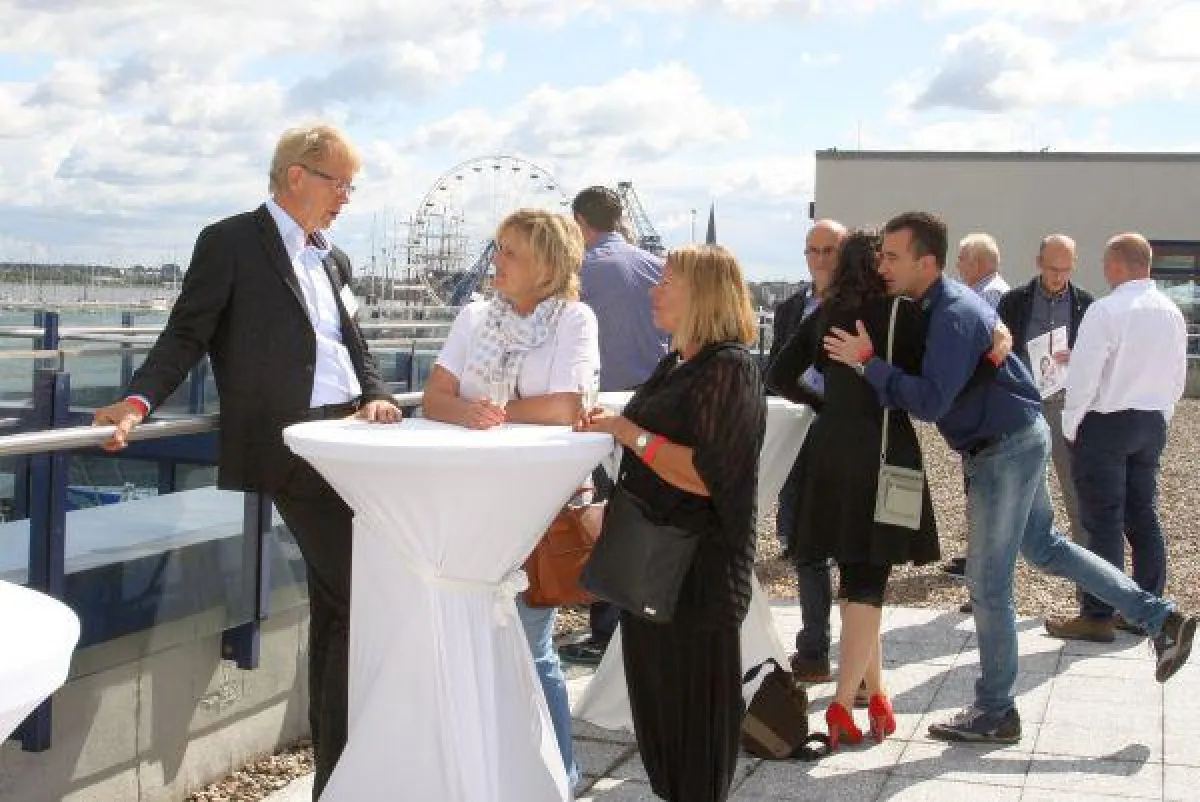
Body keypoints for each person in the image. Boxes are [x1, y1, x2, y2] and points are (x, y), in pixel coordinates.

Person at [92, 125, 401, 799]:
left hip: (357, 438)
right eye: (339, 183)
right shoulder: (230, 242)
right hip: (293, 446)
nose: (346, 198)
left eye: (351, 186)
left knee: (343, 600)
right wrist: (138, 401)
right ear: (296, 175)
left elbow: (357, 348)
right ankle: (344, 772)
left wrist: (377, 396)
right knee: (360, 595)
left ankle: (346, 770)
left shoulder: (334, 258)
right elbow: (187, 332)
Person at [824, 211, 1197, 744]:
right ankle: (1160, 618)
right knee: (1046, 548)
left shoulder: (950, 313)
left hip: (1002, 450)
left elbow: (931, 401)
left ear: (925, 262)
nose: (881, 265)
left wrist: (869, 364)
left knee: (987, 584)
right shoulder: (940, 302)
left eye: (891, 257)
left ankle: (997, 710)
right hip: (1016, 439)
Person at [578, 244, 765, 802]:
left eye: (667, 282)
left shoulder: (730, 367)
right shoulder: (679, 362)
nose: (655, 290)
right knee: (660, 720)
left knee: (693, 731)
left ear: (703, 294)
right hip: (654, 568)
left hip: (698, 577)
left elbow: (709, 476)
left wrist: (626, 432)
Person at [421, 208, 599, 788]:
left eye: (511, 252)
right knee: (473, 636)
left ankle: (558, 775)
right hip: (469, 499)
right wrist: (472, 414)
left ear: (547, 264)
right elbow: (435, 398)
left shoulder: (575, 320)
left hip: (536, 503)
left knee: (529, 635)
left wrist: (489, 417)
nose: (496, 261)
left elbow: (567, 407)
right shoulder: (475, 318)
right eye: (497, 248)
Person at [768, 229, 939, 749]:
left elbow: (778, 373)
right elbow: (923, 385)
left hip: (831, 448)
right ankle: (843, 706)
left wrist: (823, 405)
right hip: (887, 450)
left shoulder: (826, 312)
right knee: (868, 579)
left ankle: (878, 694)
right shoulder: (904, 315)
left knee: (855, 574)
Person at [1046, 233, 1188, 643]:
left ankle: (1098, 613)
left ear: (1120, 264)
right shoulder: (1170, 311)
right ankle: (1147, 608)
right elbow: (1176, 375)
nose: (1104, 270)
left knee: (1101, 520)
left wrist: (1072, 424)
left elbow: (1087, 377)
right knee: (1143, 513)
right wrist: (1163, 413)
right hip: (1150, 420)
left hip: (1105, 424)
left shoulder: (1105, 310)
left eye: (1107, 262)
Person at [559, 185, 668, 667]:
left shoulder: (576, 271)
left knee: (602, 517)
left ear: (580, 222)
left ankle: (605, 627)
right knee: (641, 516)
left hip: (597, 412)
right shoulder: (654, 267)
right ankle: (639, 618)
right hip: (653, 407)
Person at [767, 218, 846, 684]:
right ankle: (814, 648)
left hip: (841, 433)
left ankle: (837, 651)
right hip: (798, 431)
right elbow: (779, 366)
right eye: (812, 250)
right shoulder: (792, 306)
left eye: (828, 250)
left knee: (841, 546)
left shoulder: (858, 308)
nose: (819, 259)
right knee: (804, 543)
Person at [996, 235, 1094, 554]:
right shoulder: (1015, 302)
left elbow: (1098, 357)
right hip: (1022, 407)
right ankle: (995, 585)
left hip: (1065, 407)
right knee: (1010, 495)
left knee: (1078, 495)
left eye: (1065, 269)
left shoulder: (1085, 304)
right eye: (1052, 268)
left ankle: (1092, 595)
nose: (1058, 276)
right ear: (1038, 263)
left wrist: (1078, 356)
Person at [943, 231, 1010, 585]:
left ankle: (983, 562)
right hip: (979, 407)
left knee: (986, 487)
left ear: (980, 262)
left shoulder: (990, 295)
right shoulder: (984, 292)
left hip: (985, 408)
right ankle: (977, 555)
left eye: (963, 259)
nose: (957, 265)